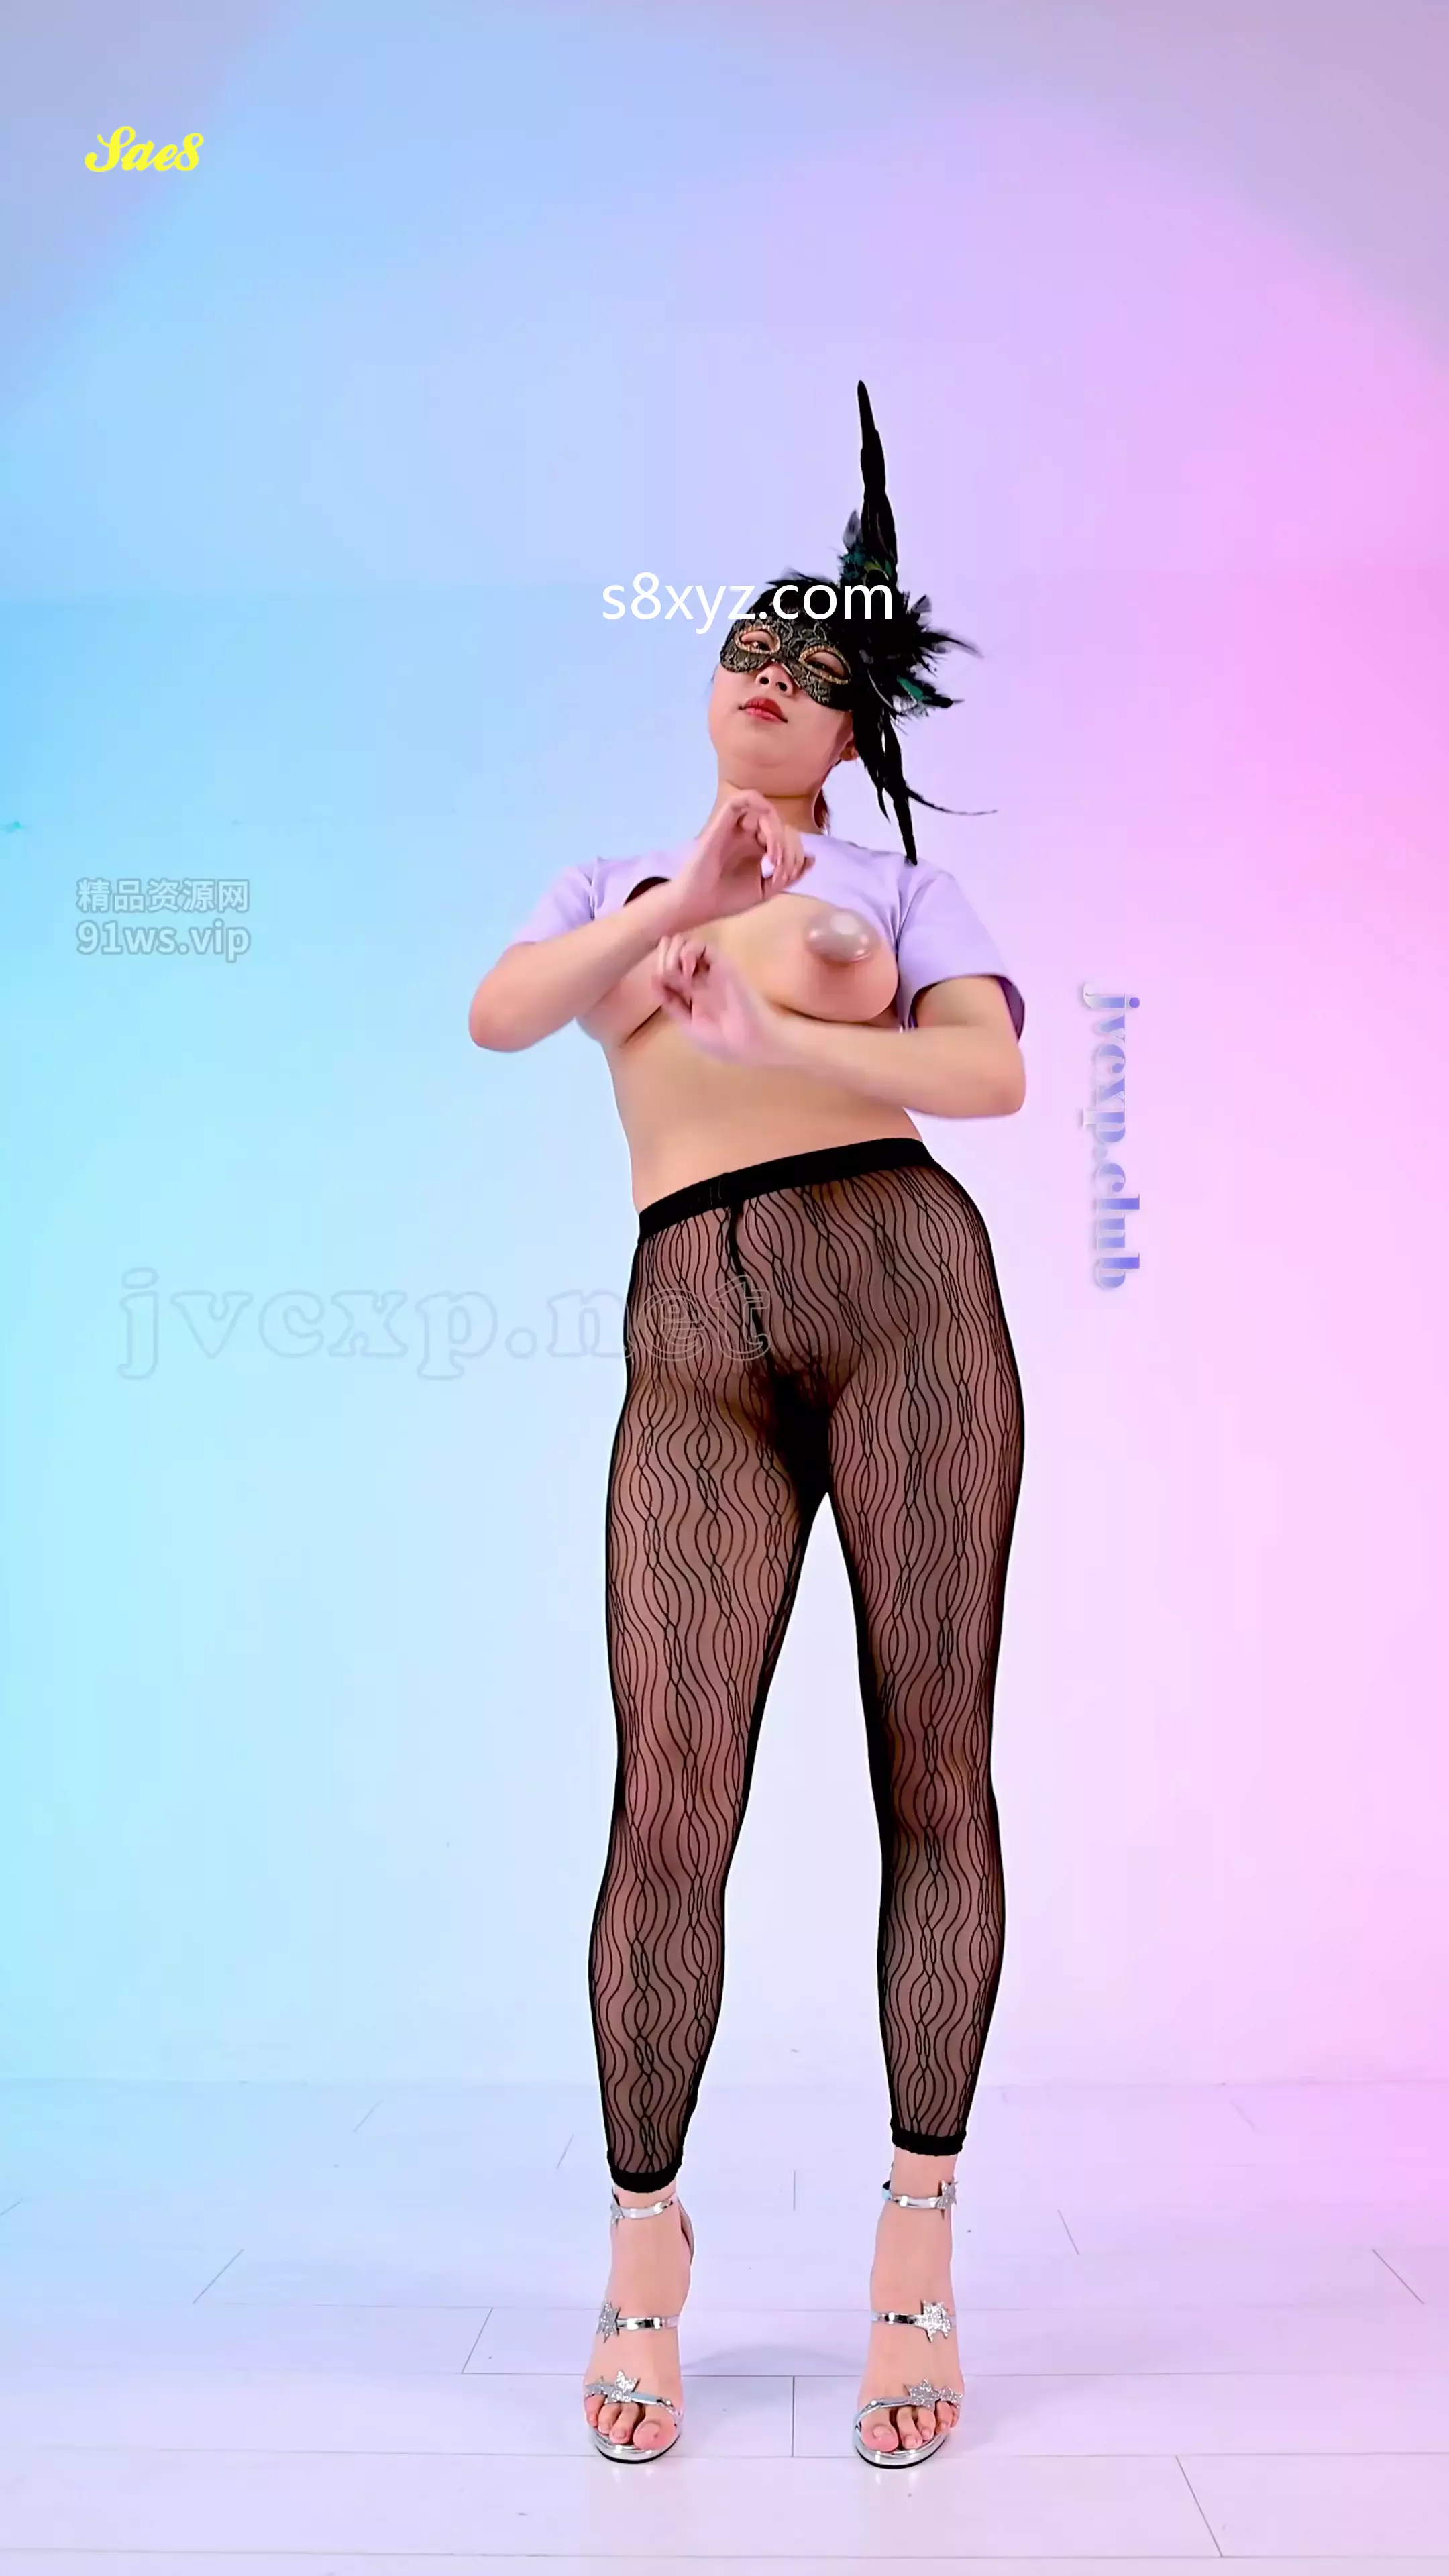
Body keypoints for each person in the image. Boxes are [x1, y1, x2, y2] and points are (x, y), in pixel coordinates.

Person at [468, 386, 1026, 2468]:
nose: (768, 679)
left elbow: (986, 1084)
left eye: (811, 668)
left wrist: (777, 1016)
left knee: (933, 1769)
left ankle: (916, 2250)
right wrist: (679, 903)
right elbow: (505, 1015)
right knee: (669, 1793)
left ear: (860, 726)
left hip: (909, 1306)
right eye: (744, 653)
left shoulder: (904, 886)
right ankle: (644, 2248)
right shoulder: (615, 877)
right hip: (691, 1328)